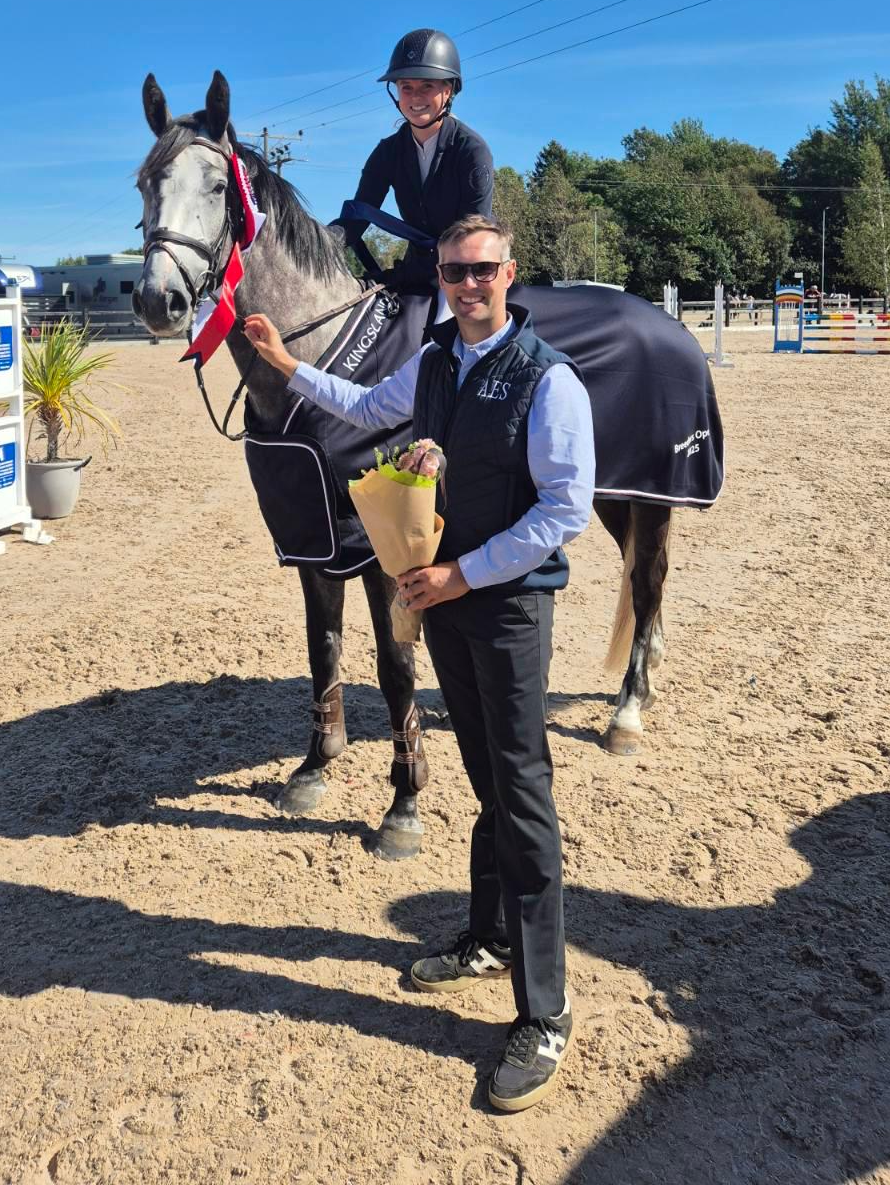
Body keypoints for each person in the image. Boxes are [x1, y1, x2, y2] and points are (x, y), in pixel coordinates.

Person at [243, 213, 595, 1112]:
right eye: (453, 272)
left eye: (482, 270)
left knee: (522, 793)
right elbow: (366, 408)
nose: (468, 284)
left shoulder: (549, 381)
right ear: (439, 276)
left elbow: (563, 513)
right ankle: (488, 937)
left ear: (509, 273)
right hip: (443, 604)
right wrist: (285, 367)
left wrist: (460, 573)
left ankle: (544, 1013)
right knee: (483, 780)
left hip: (506, 607)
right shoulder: (437, 362)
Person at [337, 29, 495, 295]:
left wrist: (408, 275)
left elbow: (472, 234)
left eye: (427, 86)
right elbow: (356, 219)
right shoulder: (387, 152)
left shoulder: (472, 151)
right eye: (406, 88)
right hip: (416, 271)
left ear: (448, 90)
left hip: (466, 275)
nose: (415, 97)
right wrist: (312, 240)